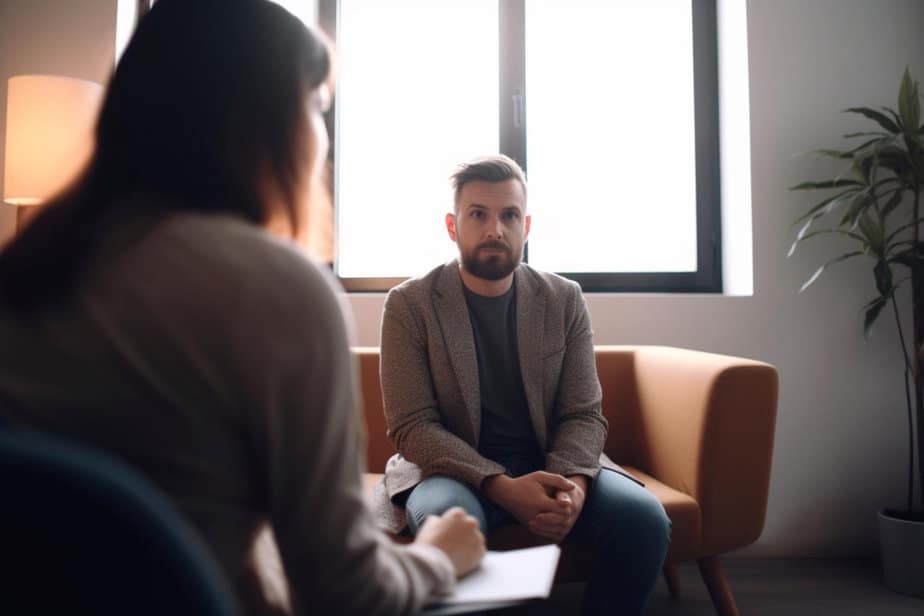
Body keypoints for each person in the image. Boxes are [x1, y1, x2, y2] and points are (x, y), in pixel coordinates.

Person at [0, 1, 485, 614]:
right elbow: (345, 592)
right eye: (316, 107)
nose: (322, 137)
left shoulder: (25, 273)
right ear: (268, 122)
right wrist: (440, 556)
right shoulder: (279, 292)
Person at [373, 154, 672, 615]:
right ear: (453, 226)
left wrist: (573, 487)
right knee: (444, 520)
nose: (495, 229)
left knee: (644, 519)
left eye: (509, 215)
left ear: (526, 226)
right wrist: (500, 485)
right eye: (478, 214)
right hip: (451, 470)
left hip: (550, 459)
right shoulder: (409, 305)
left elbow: (583, 413)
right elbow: (412, 426)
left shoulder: (564, 298)